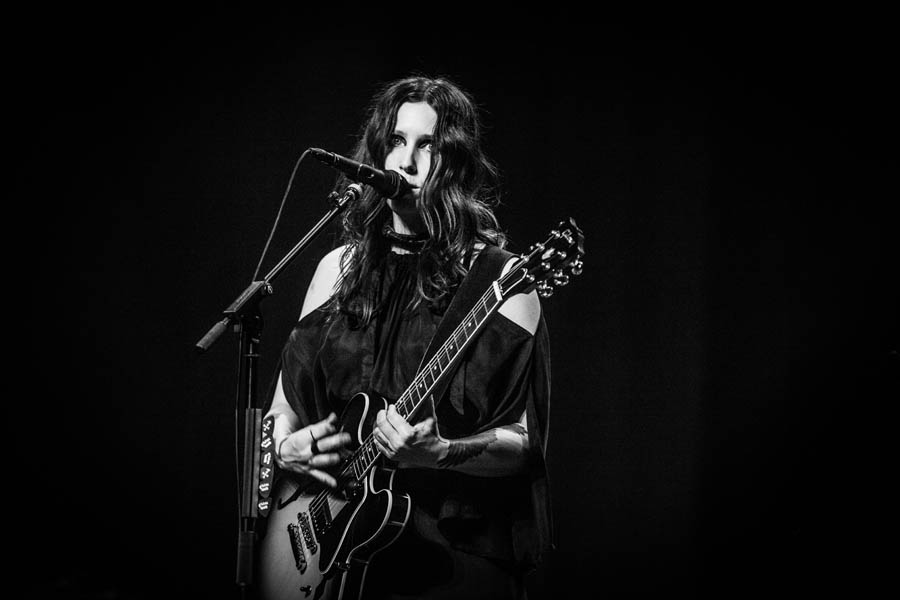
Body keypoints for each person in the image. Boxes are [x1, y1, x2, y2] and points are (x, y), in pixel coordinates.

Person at [263, 75, 553, 599]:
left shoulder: (503, 282)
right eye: (396, 142)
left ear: (457, 163)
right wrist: (285, 446)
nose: (406, 163)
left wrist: (441, 452)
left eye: (428, 146)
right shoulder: (337, 269)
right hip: (333, 545)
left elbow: (525, 443)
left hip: (451, 560)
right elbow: (283, 408)